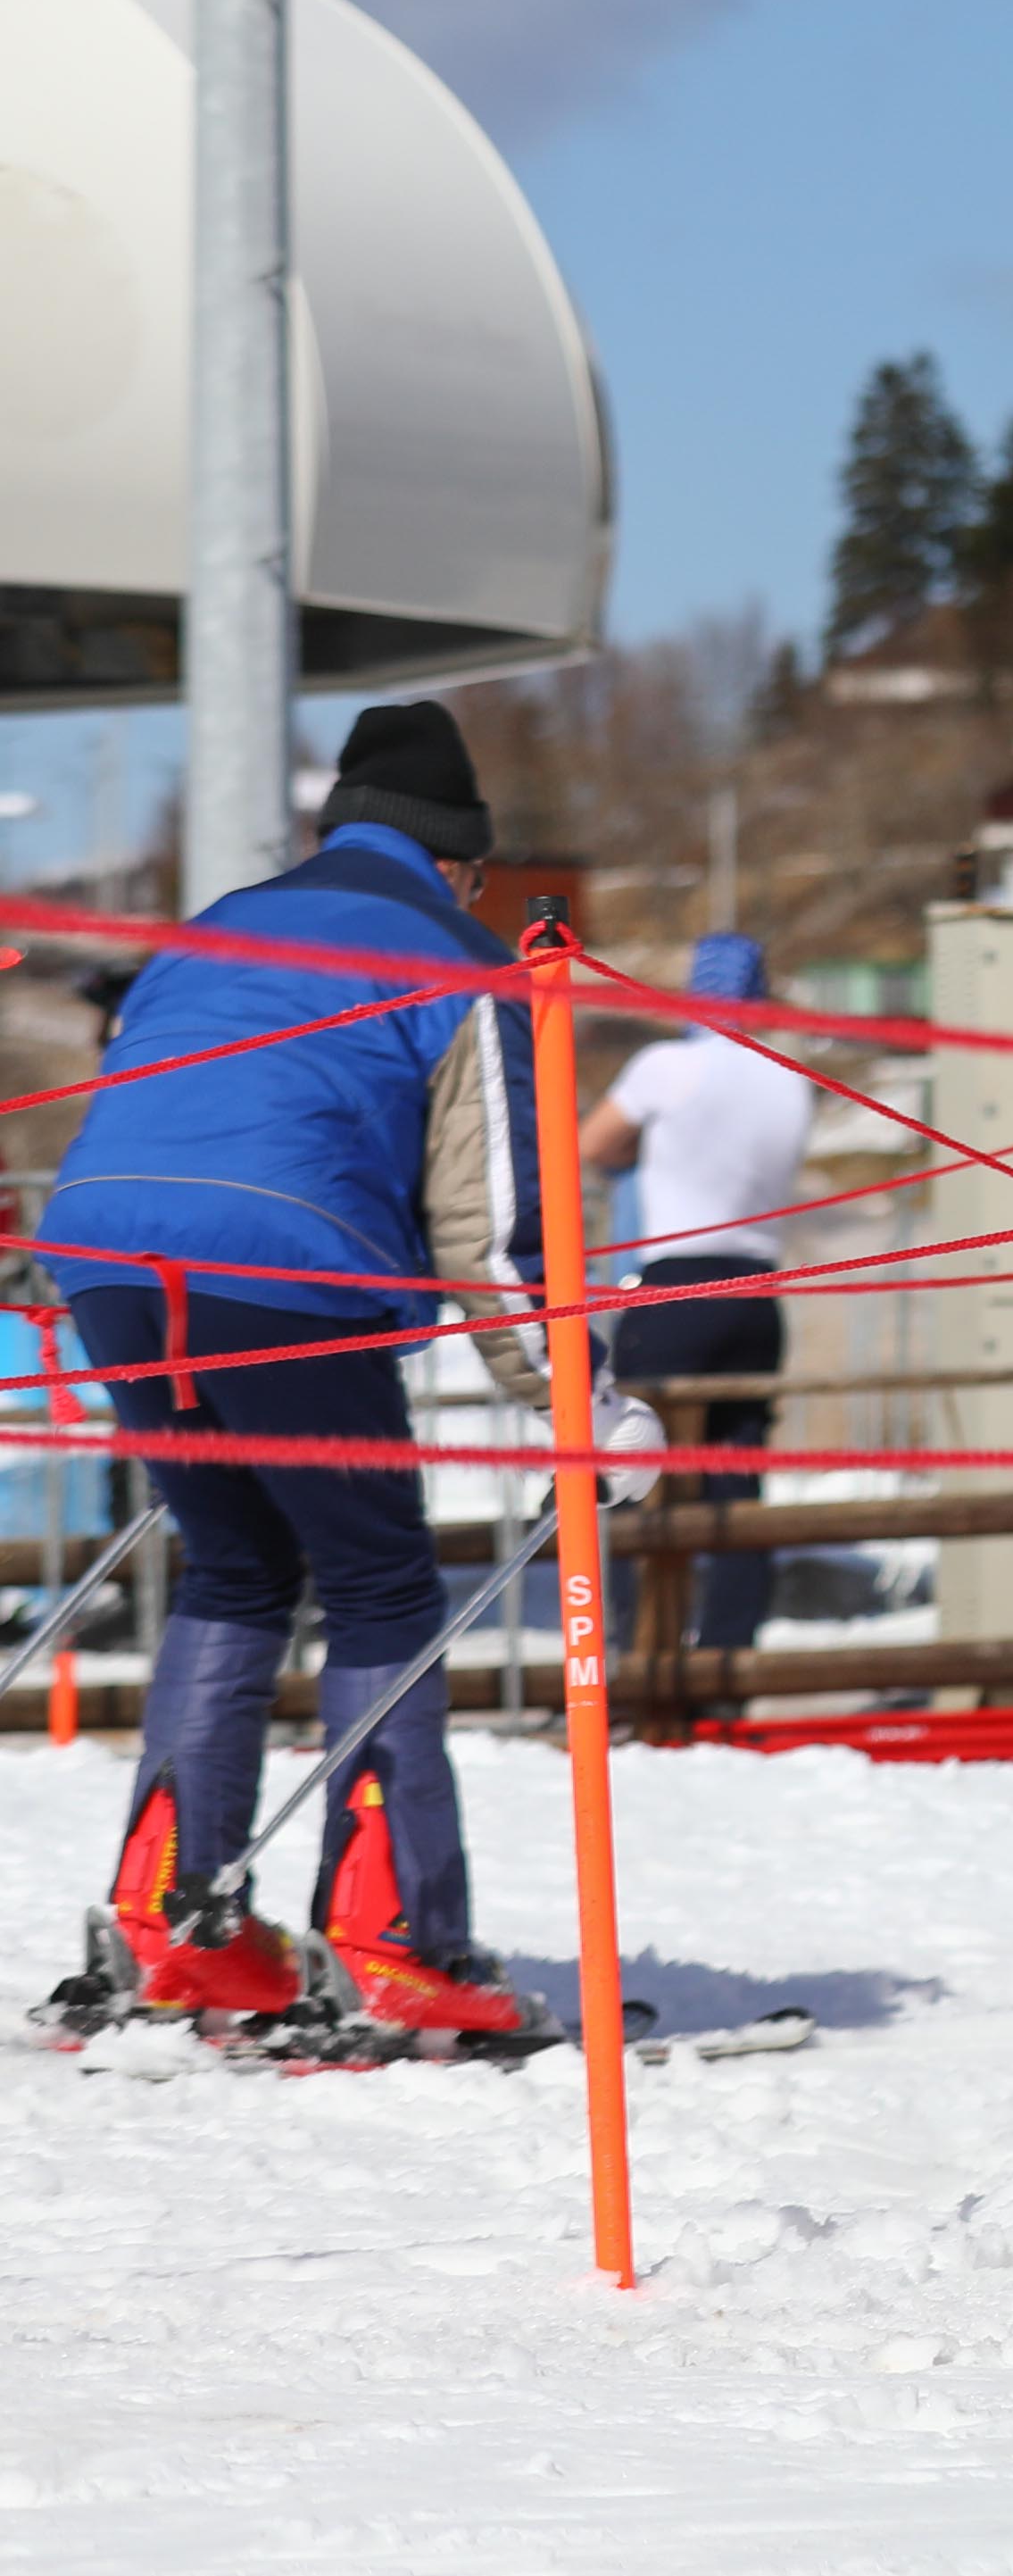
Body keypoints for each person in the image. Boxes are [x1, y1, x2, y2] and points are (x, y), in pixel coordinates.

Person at [36, 701, 619, 2046]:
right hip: (288, 1270)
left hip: (109, 1253)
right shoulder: (463, 961)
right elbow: (500, 1230)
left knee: (236, 1565)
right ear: (461, 862)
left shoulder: (217, 925)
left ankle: (174, 1919)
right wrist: (579, 1391)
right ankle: (397, 1935)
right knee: (381, 1584)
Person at [585, 934, 821, 1667]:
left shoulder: (667, 1066)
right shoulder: (789, 1077)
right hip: (756, 1294)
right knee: (736, 1479)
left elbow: (592, 1145)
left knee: (640, 1469)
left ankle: (640, 1648)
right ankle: (728, 1654)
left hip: (676, 1288)